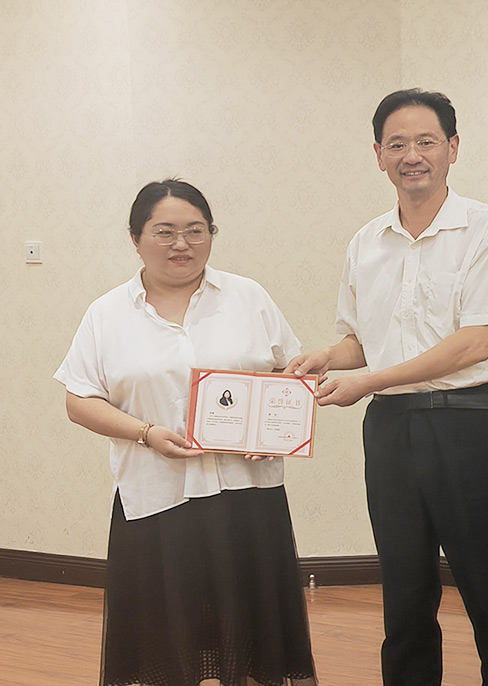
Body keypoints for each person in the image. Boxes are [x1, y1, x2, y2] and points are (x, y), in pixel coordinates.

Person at [285, 89, 488, 685]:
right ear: (378, 155)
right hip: (390, 429)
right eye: (397, 144)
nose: (412, 155)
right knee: (404, 594)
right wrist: (328, 356)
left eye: (426, 141)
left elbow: (474, 344)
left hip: (470, 423)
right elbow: (364, 342)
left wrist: (367, 379)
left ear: (453, 148)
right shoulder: (365, 242)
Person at [54, 180, 316, 686]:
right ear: (136, 238)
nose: (182, 243)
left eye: (197, 230)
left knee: (250, 626)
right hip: (157, 495)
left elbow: (291, 374)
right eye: (165, 231)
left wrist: (273, 431)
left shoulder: (248, 296)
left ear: (211, 234)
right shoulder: (107, 314)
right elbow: (78, 400)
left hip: (246, 494)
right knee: (167, 631)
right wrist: (145, 432)